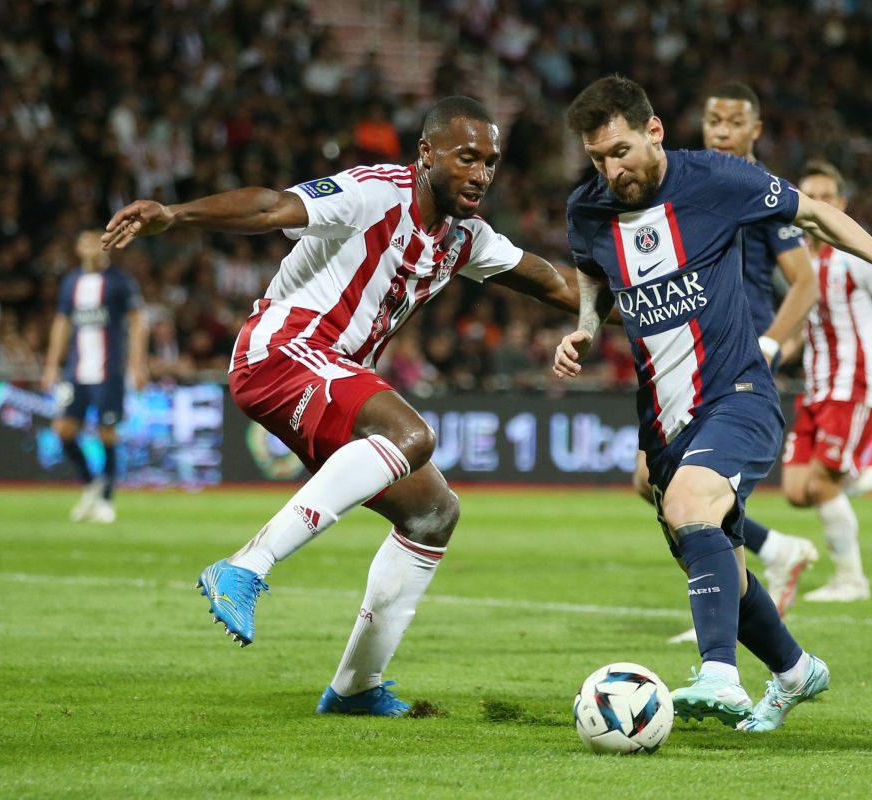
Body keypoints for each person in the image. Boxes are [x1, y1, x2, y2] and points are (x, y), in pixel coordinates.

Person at [102, 96, 580, 717]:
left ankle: (356, 686)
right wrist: (175, 212)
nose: (481, 174)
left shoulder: (465, 239)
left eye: (490, 162)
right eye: (467, 157)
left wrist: (650, 292)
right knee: (412, 435)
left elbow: (554, 282)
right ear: (426, 153)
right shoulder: (372, 192)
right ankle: (247, 565)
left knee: (434, 512)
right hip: (283, 350)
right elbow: (274, 205)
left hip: (333, 374)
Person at [554, 76, 872, 732]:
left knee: (691, 507)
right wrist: (582, 323)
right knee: (717, 565)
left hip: (739, 393)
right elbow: (593, 276)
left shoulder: (716, 179)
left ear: (654, 131)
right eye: (598, 157)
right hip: (662, 418)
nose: (612, 169)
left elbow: (816, 215)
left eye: (622, 151)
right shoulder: (588, 209)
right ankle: (798, 671)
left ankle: (719, 675)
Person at [642, 84, 820, 634]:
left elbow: (805, 284)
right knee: (650, 478)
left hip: (738, 355)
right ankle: (772, 554)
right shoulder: (690, 181)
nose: (721, 130)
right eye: (713, 119)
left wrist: (769, 346)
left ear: (755, 130)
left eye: (734, 122)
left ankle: (719, 614)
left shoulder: (761, 193)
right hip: (691, 353)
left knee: (695, 493)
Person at [781, 161, 872, 603]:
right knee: (796, 490)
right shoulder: (795, 263)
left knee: (822, 483)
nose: (817, 204)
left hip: (856, 384)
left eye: (827, 196)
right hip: (817, 387)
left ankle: (851, 580)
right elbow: (800, 331)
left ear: (841, 205)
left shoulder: (857, 259)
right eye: (810, 195)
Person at [41, 230, 148, 523]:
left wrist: (138, 364)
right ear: (78, 248)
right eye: (87, 242)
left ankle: (106, 500)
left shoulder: (120, 281)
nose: (94, 248)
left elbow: (138, 321)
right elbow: (62, 323)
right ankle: (91, 482)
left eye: (99, 242)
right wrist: (52, 365)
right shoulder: (71, 282)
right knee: (63, 430)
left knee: (107, 433)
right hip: (76, 371)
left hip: (109, 372)